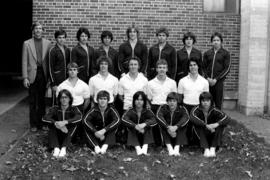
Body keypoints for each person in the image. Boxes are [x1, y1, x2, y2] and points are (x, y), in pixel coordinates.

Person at [22, 21, 52, 132]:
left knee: (42, 101)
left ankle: (42, 123)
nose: (38, 30)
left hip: (43, 74)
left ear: (43, 31)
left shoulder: (48, 43)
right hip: (32, 75)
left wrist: (49, 78)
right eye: (36, 28)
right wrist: (25, 77)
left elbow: (49, 62)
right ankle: (33, 124)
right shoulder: (27, 43)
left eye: (40, 28)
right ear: (33, 30)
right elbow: (24, 61)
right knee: (32, 101)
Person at [42, 89, 82, 158]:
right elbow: (45, 118)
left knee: (75, 126)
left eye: (66, 97)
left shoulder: (74, 108)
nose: (64, 99)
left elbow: (79, 117)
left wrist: (65, 122)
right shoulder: (55, 108)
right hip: (58, 134)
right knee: (51, 125)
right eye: (62, 97)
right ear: (59, 99)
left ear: (69, 99)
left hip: (69, 134)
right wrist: (56, 123)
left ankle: (64, 148)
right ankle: (56, 148)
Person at [178, 58, 209, 145]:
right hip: (186, 107)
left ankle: (198, 141)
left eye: (195, 65)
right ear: (188, 67)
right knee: (186, 127)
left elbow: (206, 98)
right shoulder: (182, 81)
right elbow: (179, 98)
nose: (193, 67)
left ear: (198, 66)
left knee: (198, 127)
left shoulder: (204, 81)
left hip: (199, 108)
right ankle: (185, 142)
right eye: (190, 65)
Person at [190, 92, 230, 157]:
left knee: (221, 125)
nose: (205, 103)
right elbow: (192, 117)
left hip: (212, 133)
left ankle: (212, 148)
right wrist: (205, 125)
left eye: (207, 101)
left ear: (211, 101)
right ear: (200, 101)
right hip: (200, 136)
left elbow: (227, 118)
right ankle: (206, 149)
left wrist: (216, 124)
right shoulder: (196, 109)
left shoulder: (214, 110)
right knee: (197, 125)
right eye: (203, 101)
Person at [147, 59, 177, 146]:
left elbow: (174, 97)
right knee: (156, 127)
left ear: (167, 69)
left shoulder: (172, 82)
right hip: (155, 106)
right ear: (156, 69)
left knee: (167, 125)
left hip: (168, 107)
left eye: (164, 67)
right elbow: (149, 98)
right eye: (160, 67)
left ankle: (168, 142)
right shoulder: (150, 83)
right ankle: (158, 144)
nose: (162, 69)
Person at [122, 91, 156, 155]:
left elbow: (154, 120)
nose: (139, 101)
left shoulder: (147, 110)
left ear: (144, 101)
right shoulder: (130, 110)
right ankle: (138, 149)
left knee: (148, 127)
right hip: (133, 135)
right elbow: (124, 119)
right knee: (130, 127)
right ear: (134, 101)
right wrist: (135, 126)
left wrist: (144, 124)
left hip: (144, 134)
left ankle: (144, 149)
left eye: (141, 100)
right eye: (137, 99)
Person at [203, 32, 231, 110]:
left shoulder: (225, 53)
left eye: (218, 40)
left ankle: (218, 120)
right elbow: (203, 67)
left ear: (221, 41)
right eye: (214, 40)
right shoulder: (207, 53)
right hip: (208, 82)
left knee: (218, 103)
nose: (216, 42)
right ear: (212, 42)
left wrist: (216, 79)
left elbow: (227, 68)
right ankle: (208, 119)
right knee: (207, 103)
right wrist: (207, 78)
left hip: (218, 83)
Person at [48, 29, 71, 105]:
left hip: (66, 79)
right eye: (59, 37)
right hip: (57, 80)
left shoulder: (67, 50)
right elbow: (50, 68)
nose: (61, 39)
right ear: (56, 38)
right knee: (57, 100)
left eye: (63, 37)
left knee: (66, 99)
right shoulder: (53, 50)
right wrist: (53, 83)